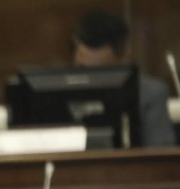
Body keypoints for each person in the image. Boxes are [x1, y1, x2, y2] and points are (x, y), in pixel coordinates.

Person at [72, 8, 176, 147]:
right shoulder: (58, 89)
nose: (91, 81)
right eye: (83, 70)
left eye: (101, 72)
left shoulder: (150, 94)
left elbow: (161, 157)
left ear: (124, 56)